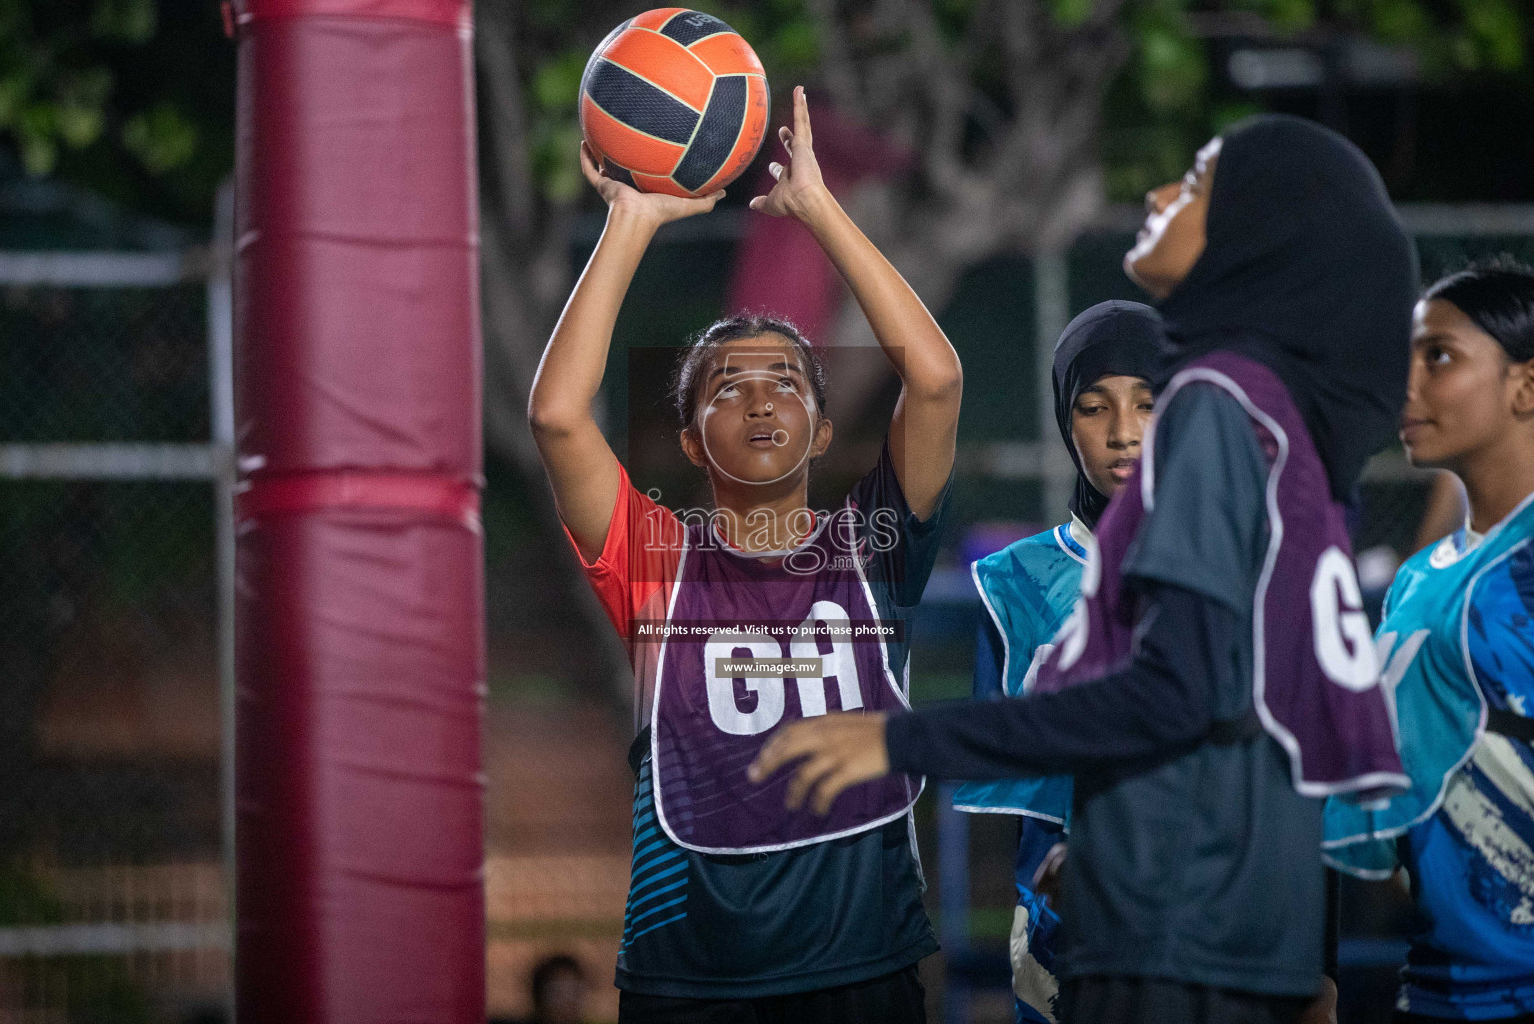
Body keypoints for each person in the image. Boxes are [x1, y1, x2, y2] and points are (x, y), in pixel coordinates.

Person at [751, 113, 1415, 1024]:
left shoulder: (1223, 415)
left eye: (1194, 183)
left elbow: (1171, 694)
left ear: (1249, 240)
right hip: (1225, 926)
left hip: (1182, 934)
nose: (1156, 194)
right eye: (1096, 408)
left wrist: (904, 741)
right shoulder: (1279, 437)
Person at [527, 87, 961, 1023]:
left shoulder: (874, 545)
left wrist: (816, 208)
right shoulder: (656, 561)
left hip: (862, 963)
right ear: (690, 441)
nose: (760, 402)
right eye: (728, 388)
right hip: (691, 973)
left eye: (784, 385)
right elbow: (559, 415)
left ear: (817, 429)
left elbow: (936, 379)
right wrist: (631, 223)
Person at [1323, 260, 1534, 1021]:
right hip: (1440, 987)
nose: (1404, 385)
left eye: (1437, 357)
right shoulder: (1419, 578)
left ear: (1526, 387)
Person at [952, 301, 1162, 1023]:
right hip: (1060, 943)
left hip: (1211, 928)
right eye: (1094, 406)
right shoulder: (1012, 584)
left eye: (1148, 403)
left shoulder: (1240, 565)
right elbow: (1008, 806)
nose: (1123, 432)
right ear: (1064, 420)